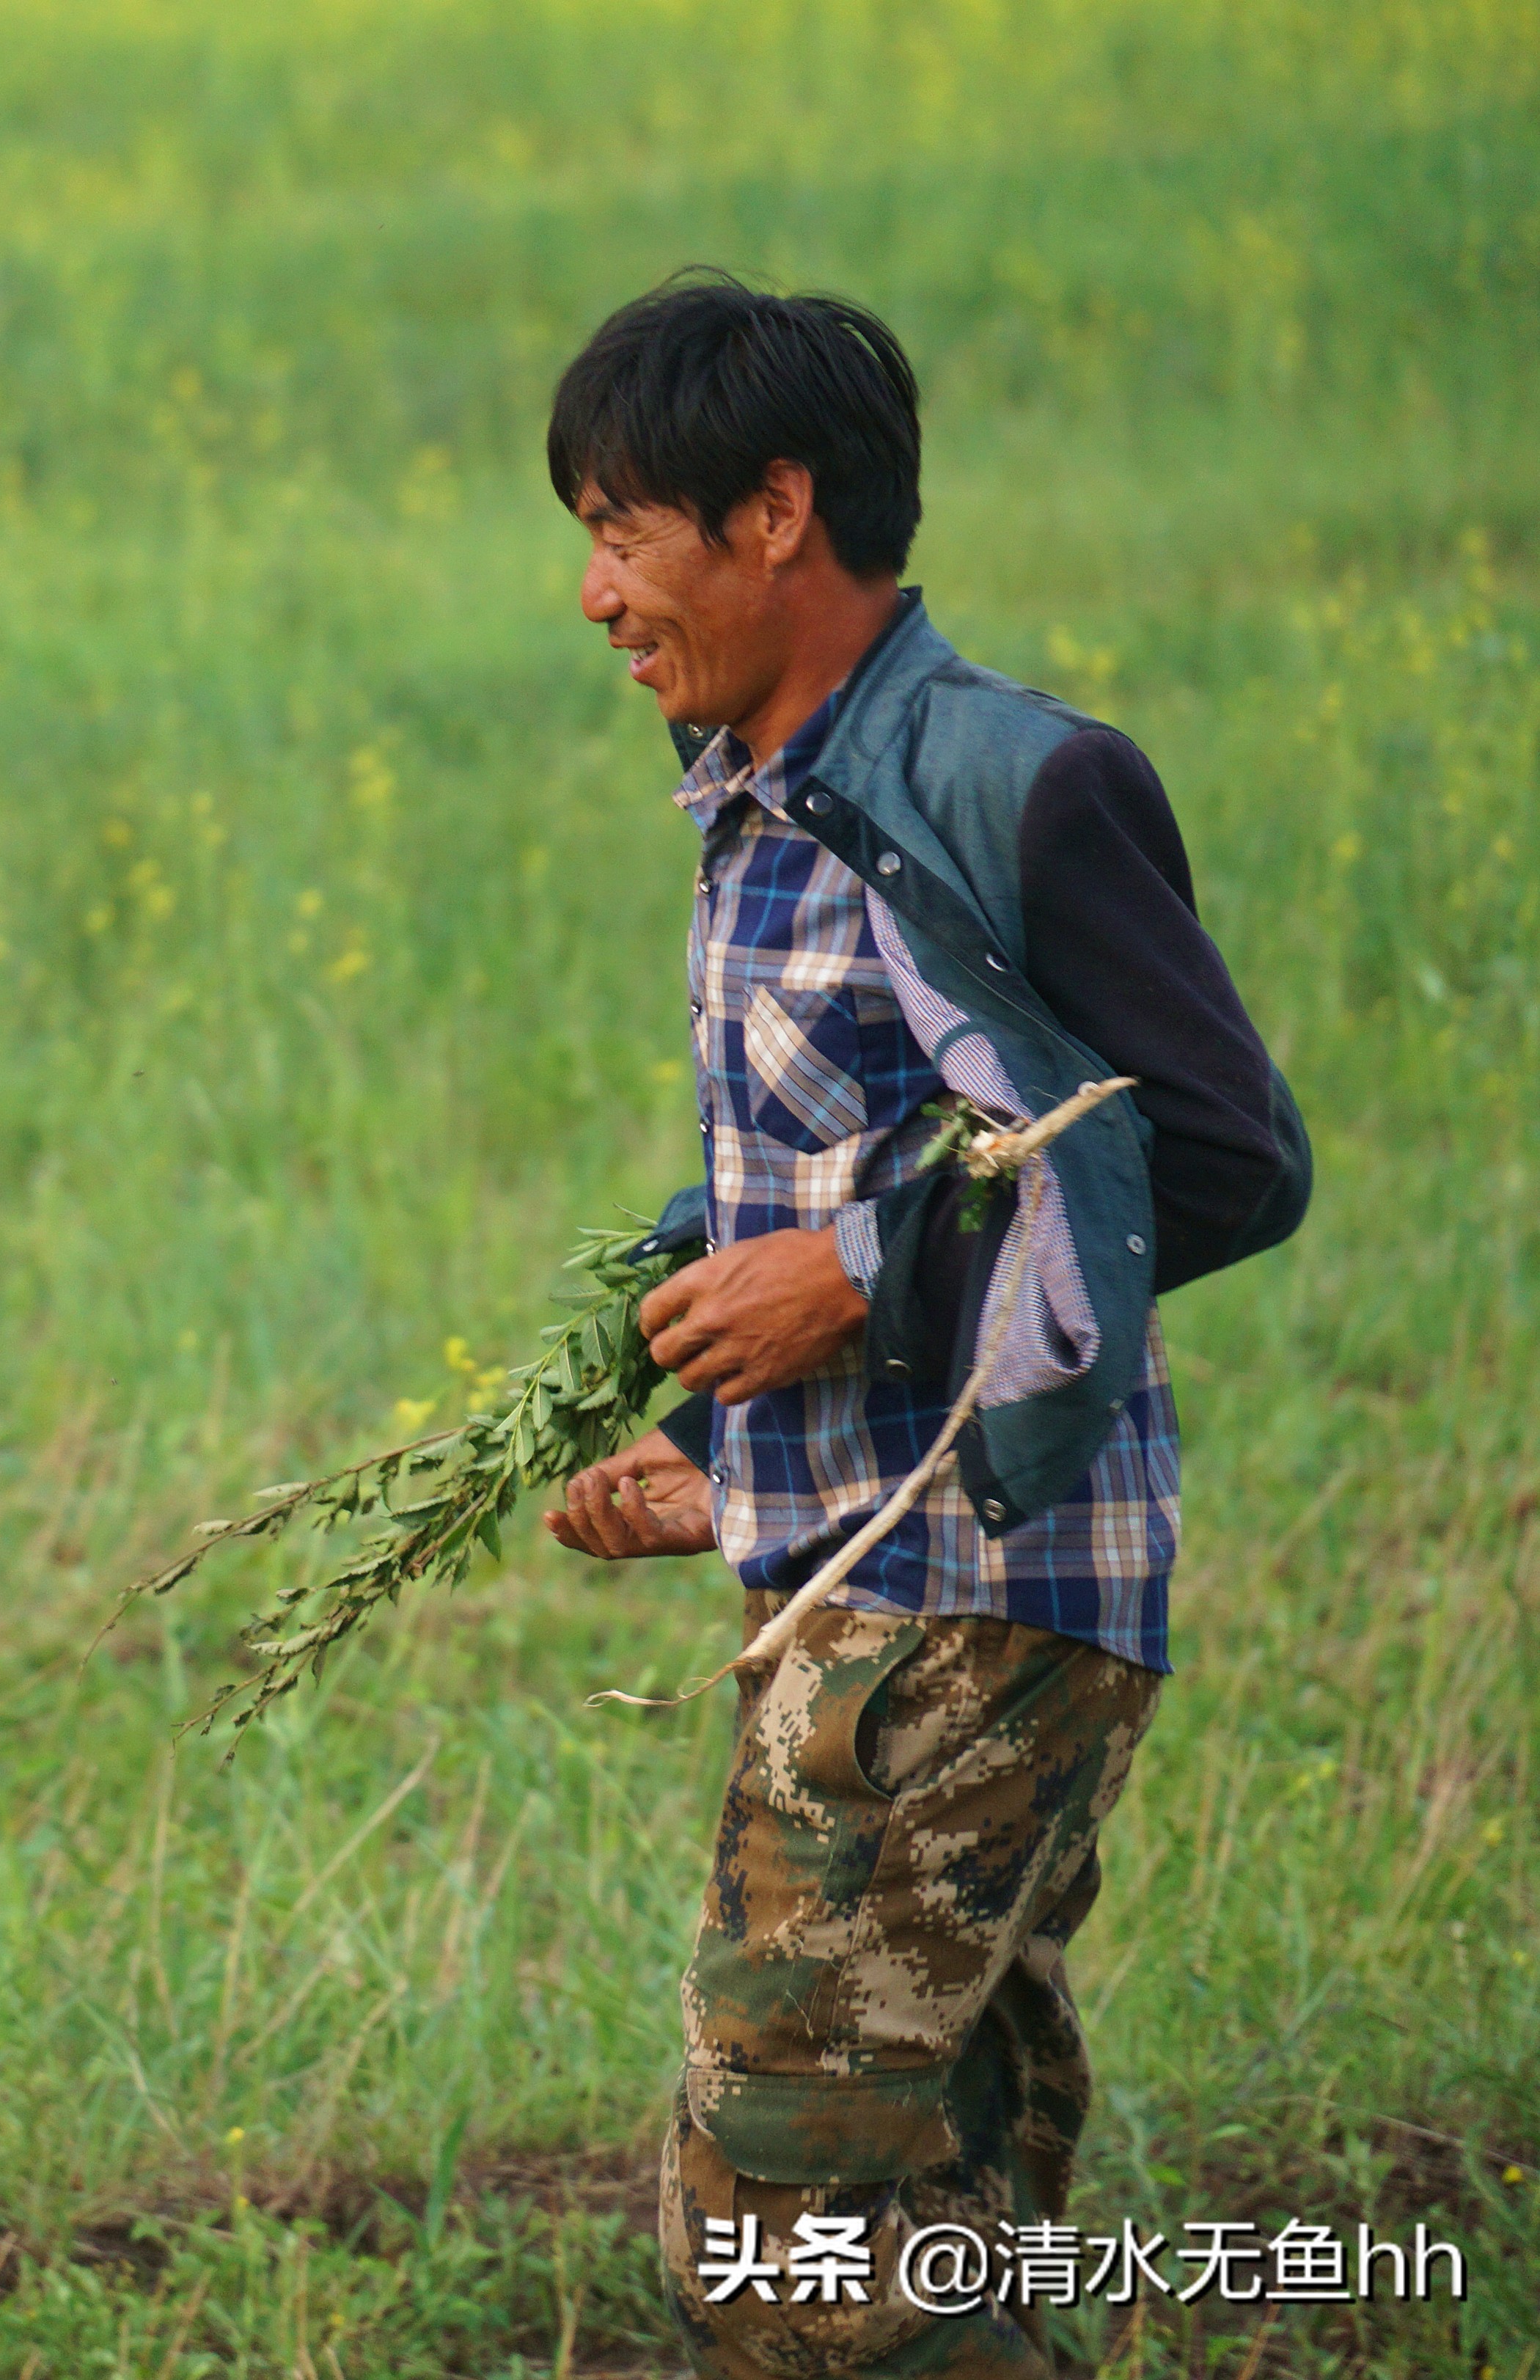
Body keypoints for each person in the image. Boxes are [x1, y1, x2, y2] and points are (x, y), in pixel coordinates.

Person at [536, 272, 1309, 2375]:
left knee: (780, 2235)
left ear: (773, 512)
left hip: (984, 1595)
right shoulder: (751, 794)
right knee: (926, 2195)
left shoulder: (1008, 781)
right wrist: (726, 1461)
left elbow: (1219, 1154)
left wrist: (855, 1276)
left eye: (622, 529)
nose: (593, 593)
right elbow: (914, 1156)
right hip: (879, 1580)